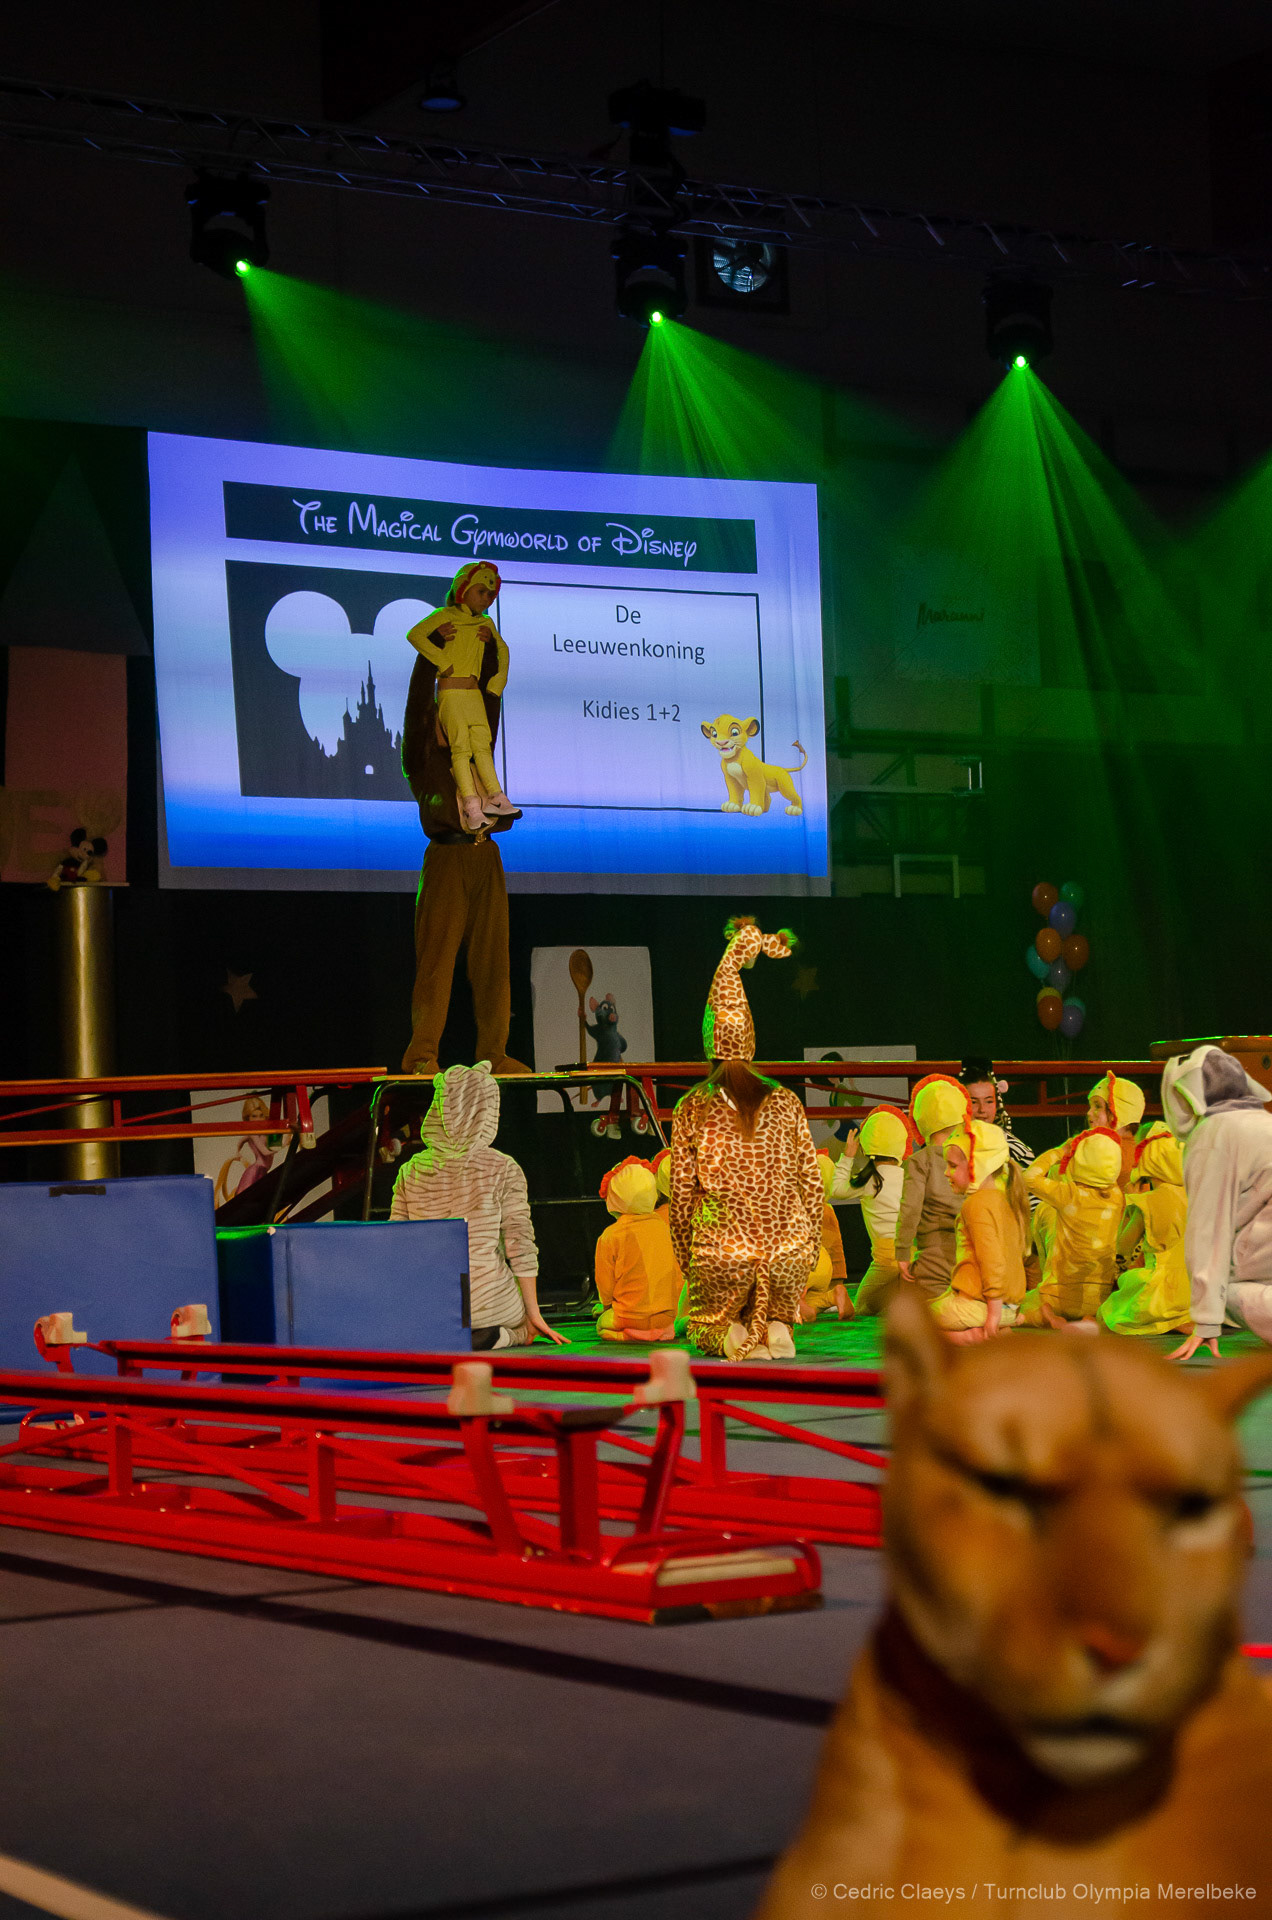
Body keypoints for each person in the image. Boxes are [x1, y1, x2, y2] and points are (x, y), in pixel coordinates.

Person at [669, 917, 822, 1361]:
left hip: (723, 1252)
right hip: (788, 1251)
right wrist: (807, 1251)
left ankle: (729, 1333)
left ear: (708, 1038)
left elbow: (682, 1198)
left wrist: (691, 1264)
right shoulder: (786, 1100)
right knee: (782, 1274)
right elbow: (811, 1185)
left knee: (701, 1324)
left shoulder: (692, 1107)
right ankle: (777, 1323)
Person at [390, 1061, 566, 1349]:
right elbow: (519, 1243)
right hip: (489, 1303)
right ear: (486, 1111)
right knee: (512, 1315)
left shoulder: (410, 1170)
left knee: (434, 1312)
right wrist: (533, 1315)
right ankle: (511, 1334)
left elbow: (395, 1242)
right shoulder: (503, 1167)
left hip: (429, 1303)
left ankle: (440, 1330)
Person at [1161, 1043, 1272, 1361]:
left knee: (1225, 1289)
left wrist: (1206, 1321)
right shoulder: (1264, 1121)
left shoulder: (1213, 1134)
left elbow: (1208, 1229)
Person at [407, 561, 520, 833]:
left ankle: (495, 796)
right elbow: (415, 635)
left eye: (491, 594)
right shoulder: (445, 615)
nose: (487, 599)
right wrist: (442, 659)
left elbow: (503, 650)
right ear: (462, 590)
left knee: (482, 745)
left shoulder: (486, 622)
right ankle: (471, 805)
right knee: (461, 748)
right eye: (481, 592)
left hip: (473, 693)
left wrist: (498, 681)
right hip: (452, 692)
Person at [928, 1119, 1029, 1342]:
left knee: (915, 1323)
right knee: (931, 1307)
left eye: (953, 1166)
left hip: (984, 1306)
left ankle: (976, 1336)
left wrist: (993, 1313)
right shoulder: (1003, 1199)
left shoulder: (975, 1204)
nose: (946, 1173)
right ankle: (1001, 1329)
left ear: (978, 1165)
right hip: (1007, 1307)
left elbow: (992, 1259)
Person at [1017, 1127, 1124, 1327]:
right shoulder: (1117, 1197)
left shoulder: (1069, 1195)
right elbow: (1103, 1171)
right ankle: (1090, 1318)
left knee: (1016, 1308)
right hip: (1099, 1299)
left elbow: (1029, 1178)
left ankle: (1045, 1316)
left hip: (1058, 1296)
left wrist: (1060, 1152)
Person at [1099, 1124, 1190, 1338]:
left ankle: (1170, 1321)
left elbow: (1123, 1249)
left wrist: (1131, 1202)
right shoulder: (1195, 1196)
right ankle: (1183, 1319)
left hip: (1162, 1291)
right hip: (1196, 1290)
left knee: (1107, 1314)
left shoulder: (1147, 1202)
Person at [894, 1075, 971, 1300]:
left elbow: (910, 1208)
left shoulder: (920, 1161)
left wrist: (902, 1250)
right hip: (972, 1252)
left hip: (933, 1255)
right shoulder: (971, 1158)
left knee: (929, 1309)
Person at [829, 1104, 910, 1317]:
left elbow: (835, 1189)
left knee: (862, 1309)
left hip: (885, 1261)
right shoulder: (909, 1177)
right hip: (912, 1255)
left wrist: (848, 1155)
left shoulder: (868, 1180)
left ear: (865, 1147)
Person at [593, 1156, 684, 1343]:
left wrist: (607, 1307)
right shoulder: (664, 1227)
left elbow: (605, 1284)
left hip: (630, 1316)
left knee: (601, 1325)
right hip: (667, 1316)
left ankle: (629, 1334)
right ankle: (658, 1331)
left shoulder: (610, 1236)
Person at [956, 1056, 1034, 1170]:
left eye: (989, 1101)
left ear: (996, 1104)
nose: (982, 1109)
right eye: (974, 1102)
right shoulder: (948, 1143)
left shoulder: (1015, 1151)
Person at [797, 1153, 850, 1322]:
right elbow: (836, 1250)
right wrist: (837, 1282)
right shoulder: (827, 1210)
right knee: (814, 1299)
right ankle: (832, 1296)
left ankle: (795, 1302)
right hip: (823, 1267)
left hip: (801, 1265)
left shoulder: (793, 1207)